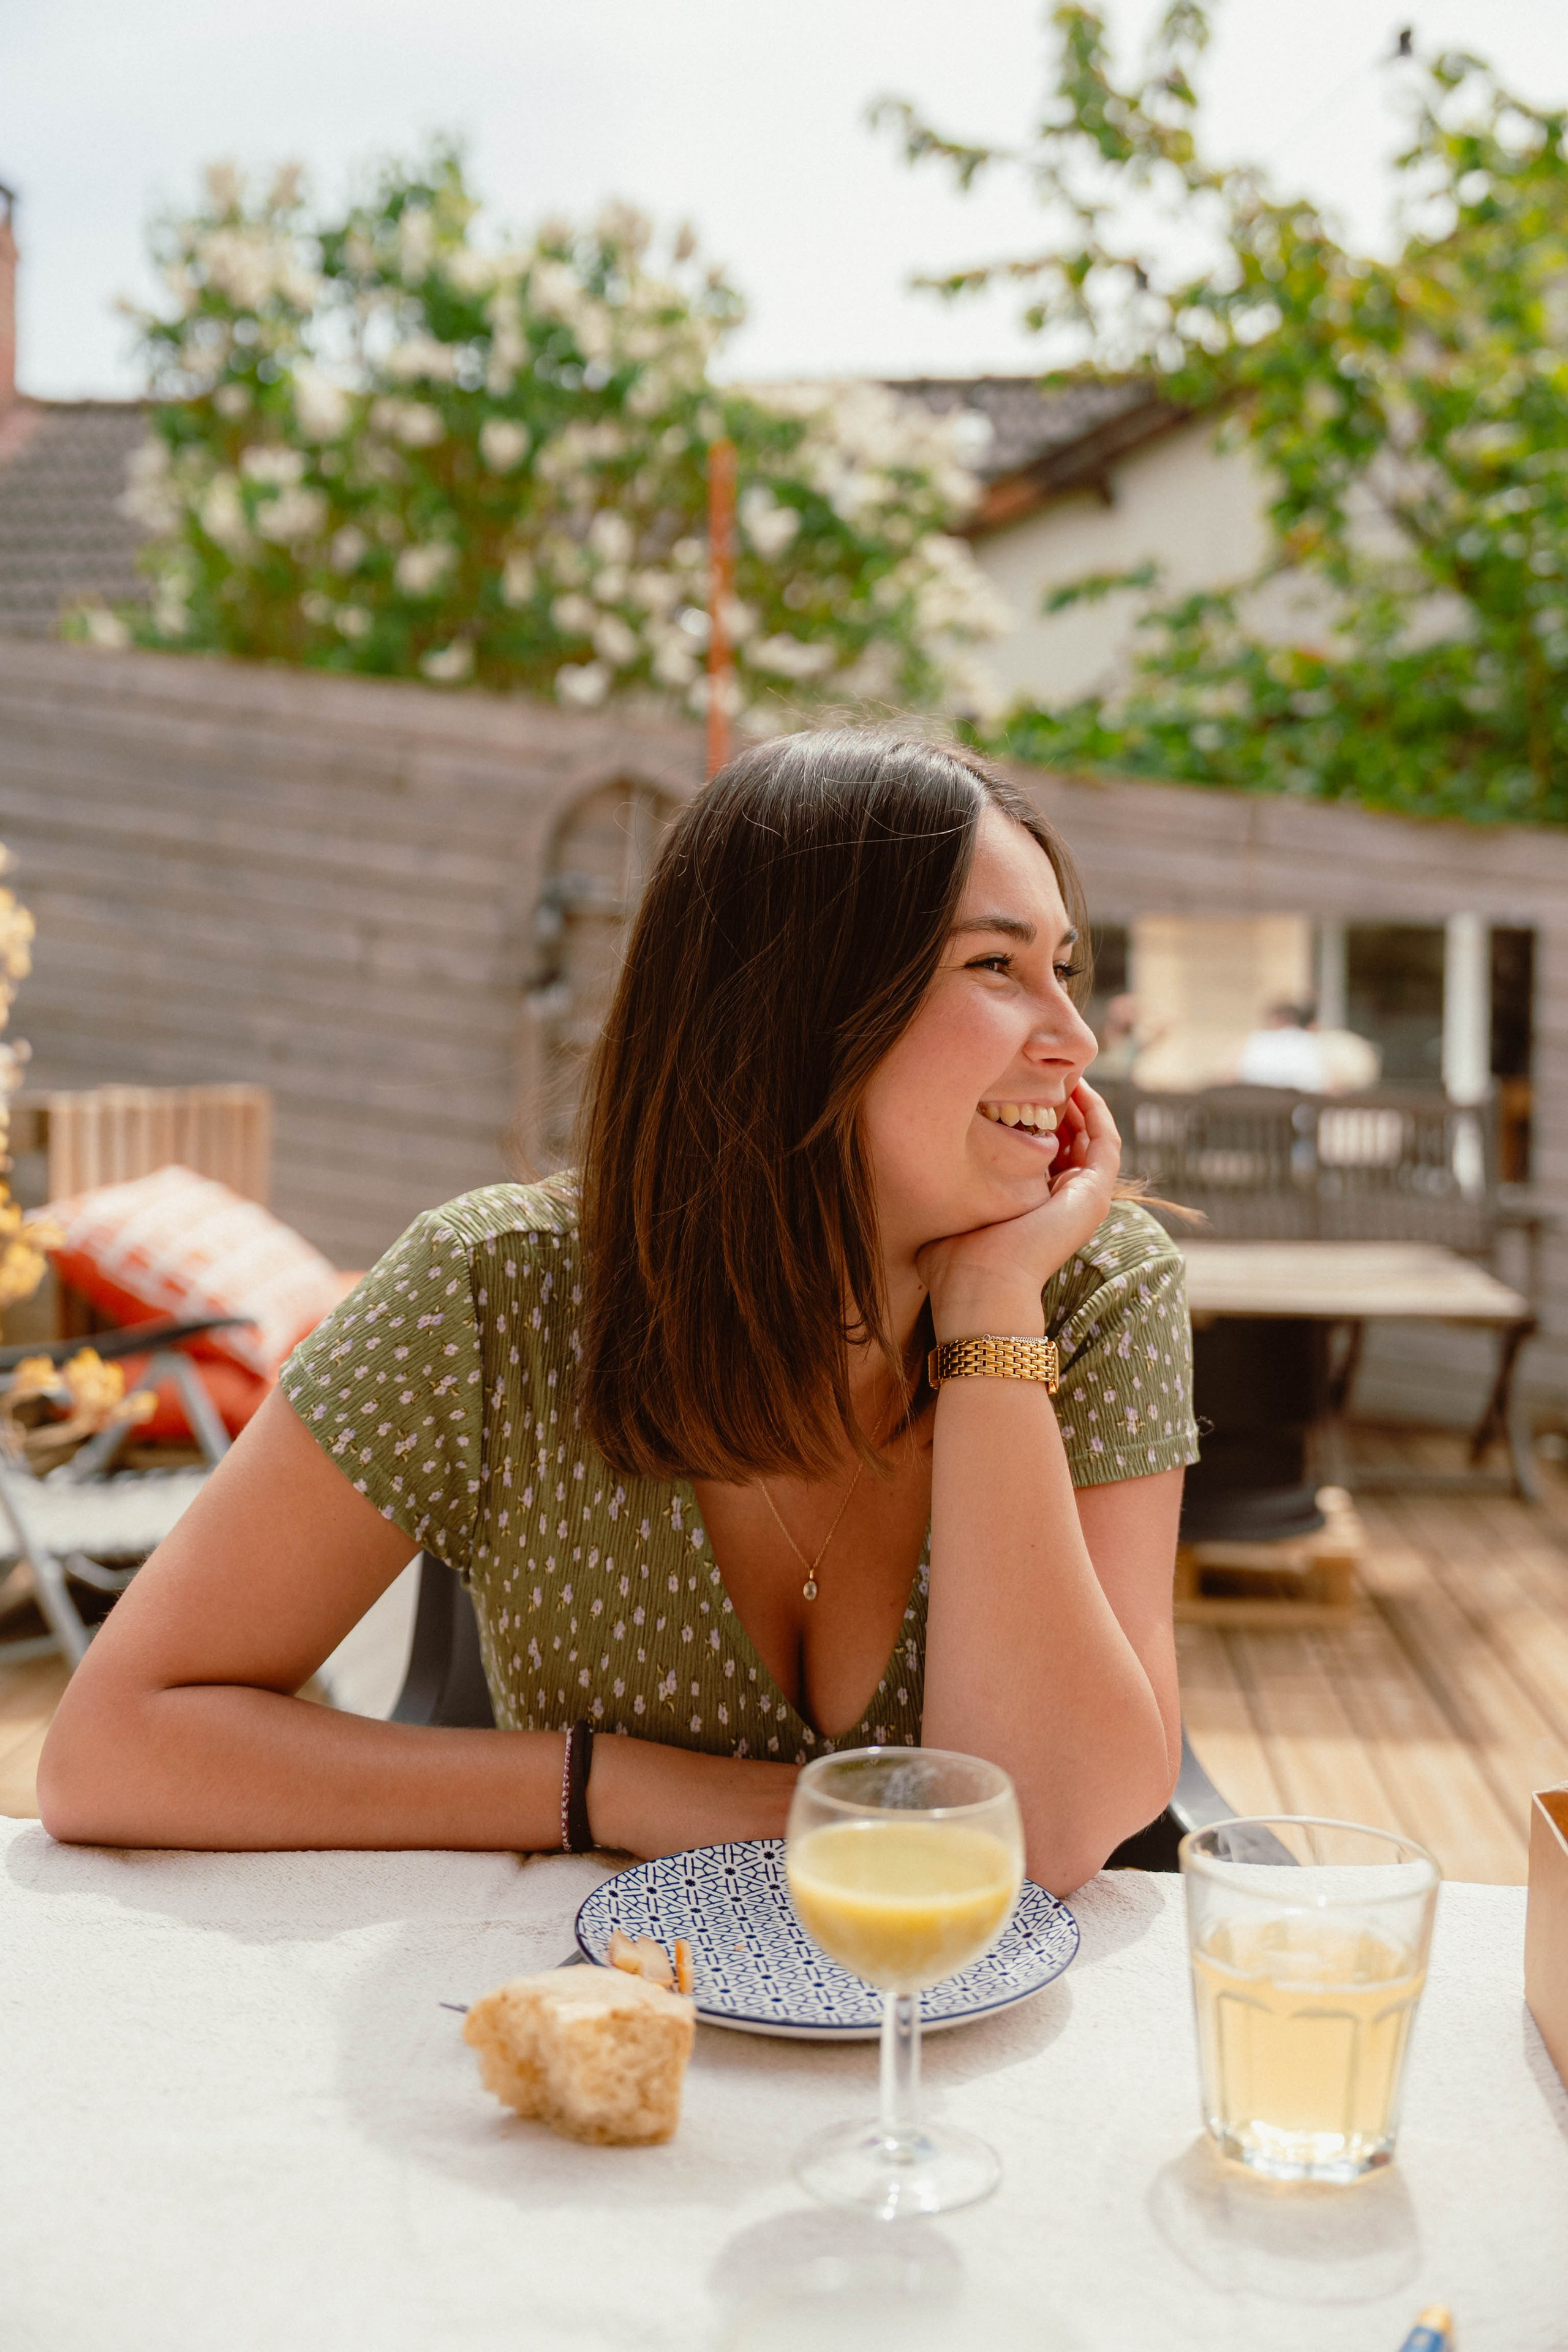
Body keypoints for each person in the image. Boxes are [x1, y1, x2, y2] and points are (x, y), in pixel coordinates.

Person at [38, 735, 1199, 1896]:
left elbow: (1038, 1838)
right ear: (795, 1002)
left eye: (1065, 969)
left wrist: (991, 1315)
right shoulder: (492, 1291)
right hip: (597, 1989)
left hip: (963, 2005)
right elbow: (110, 1750)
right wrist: (605, 1786)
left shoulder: (1091, 1292)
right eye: (997, 965)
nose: (1076, 1038)